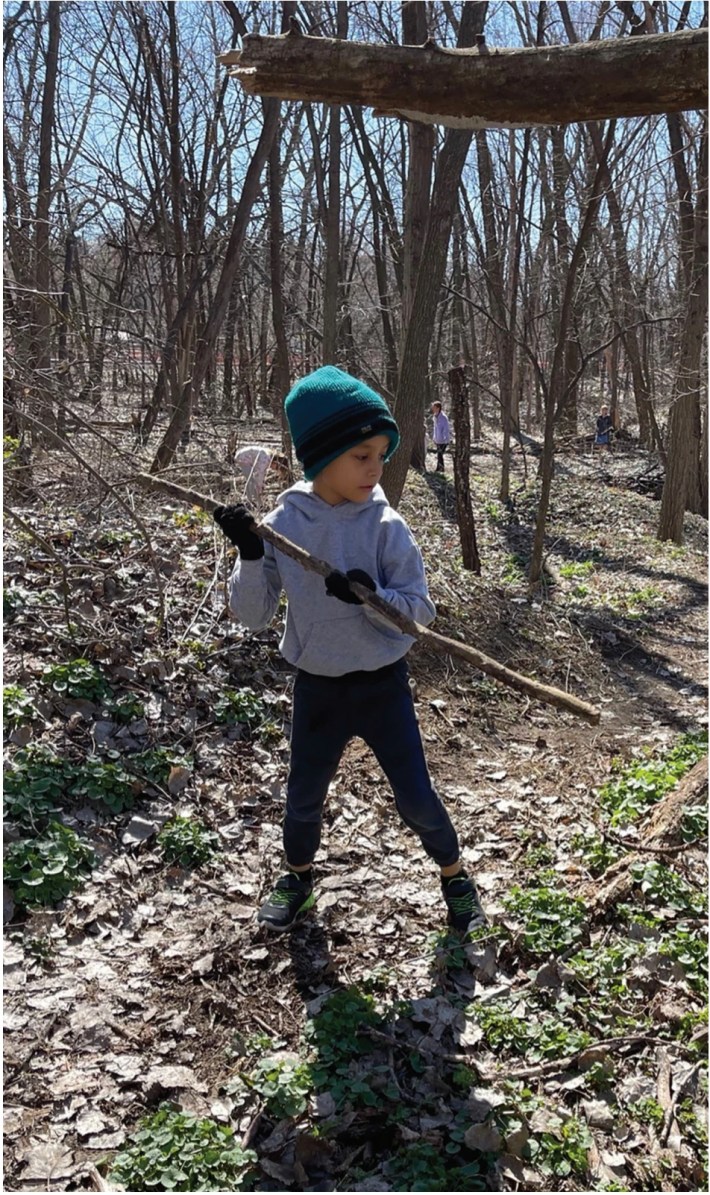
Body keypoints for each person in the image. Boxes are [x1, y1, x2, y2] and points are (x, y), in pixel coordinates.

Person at [213, 365, 486, 937]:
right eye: (362, 455)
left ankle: (455, 876)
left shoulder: (386, 526)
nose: (375, 467)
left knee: (415, 797)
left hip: (382, 686)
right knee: (303, 797)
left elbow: (419, 613)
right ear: (321, 456)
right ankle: (297, 878)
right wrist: (249, 555)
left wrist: (369, 596)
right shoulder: (281, 524)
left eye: (381, 454)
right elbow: (254, 615)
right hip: (318, 687)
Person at [431, 401, 451, 472]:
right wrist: (434, 437)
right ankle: (439, 468)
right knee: (439, 454)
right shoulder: (435, 417)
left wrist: (446, 439)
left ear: (438, 408)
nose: (433, 409)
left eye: (434, 407)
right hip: (437, 439)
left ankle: (441, 469)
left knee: (440, 454)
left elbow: (446, 429)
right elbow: (435, 428)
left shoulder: (443, 418)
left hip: (443, 440)